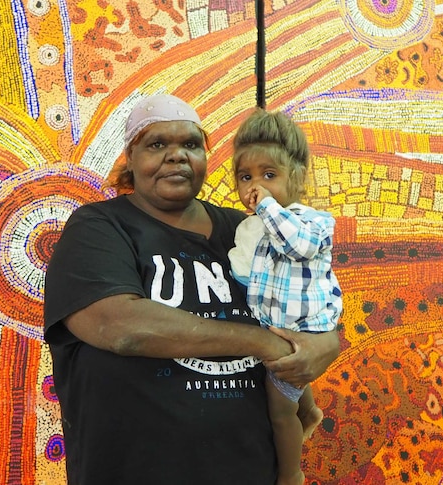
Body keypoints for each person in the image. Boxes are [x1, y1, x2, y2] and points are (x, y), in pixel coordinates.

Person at [43, 93, 341, 484]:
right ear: (129, 160)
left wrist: (324, 346)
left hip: (249, 470)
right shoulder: (98, 227)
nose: (176, 156)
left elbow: (310, 301)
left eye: (190, 144)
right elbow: (120, 326)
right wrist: (264, 344)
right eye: (156, 144)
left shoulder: (248, 228)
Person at [228, 108, 343, 485]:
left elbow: (297, 246)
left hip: (306, 330)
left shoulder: (313, 222)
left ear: (297, 178)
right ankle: (310, 413)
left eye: (269, 175)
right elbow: (245, 272)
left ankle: (292, 473)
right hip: (278, 329)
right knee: (290, 385)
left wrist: (265, 205)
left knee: (279, 412)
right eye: (246, 177)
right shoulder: (252, 226)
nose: (255, 185)